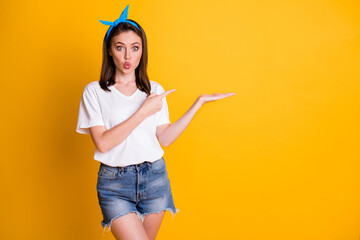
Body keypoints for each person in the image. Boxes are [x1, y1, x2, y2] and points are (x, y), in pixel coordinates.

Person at [76, 4, 235, 240]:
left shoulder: (154, 89)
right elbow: (103, 143)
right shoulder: (95, 92)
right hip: (115, 185)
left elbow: (165, 138)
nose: (128, 56)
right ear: (110, 50)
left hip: (155, 178)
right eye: (120, 48)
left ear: (143, 51)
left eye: (135, 48)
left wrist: (198, 103)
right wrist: (143, 111)